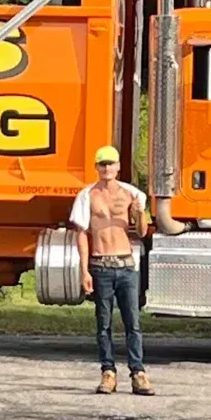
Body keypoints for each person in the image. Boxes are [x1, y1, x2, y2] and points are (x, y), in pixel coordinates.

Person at [69, 145, 154, 395]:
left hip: (126, 265)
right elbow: (82, 234)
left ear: (118, 167)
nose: (107, 168)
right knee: (103, 324)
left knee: (133, 323)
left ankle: (138, 373)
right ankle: (108, 372)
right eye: (102, 164)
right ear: (96, 167)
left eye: (111, 164)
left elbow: (140, 232)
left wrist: (139, 214)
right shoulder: (87, 196)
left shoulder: (132, 194)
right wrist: (84, 271)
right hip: (101, 266)